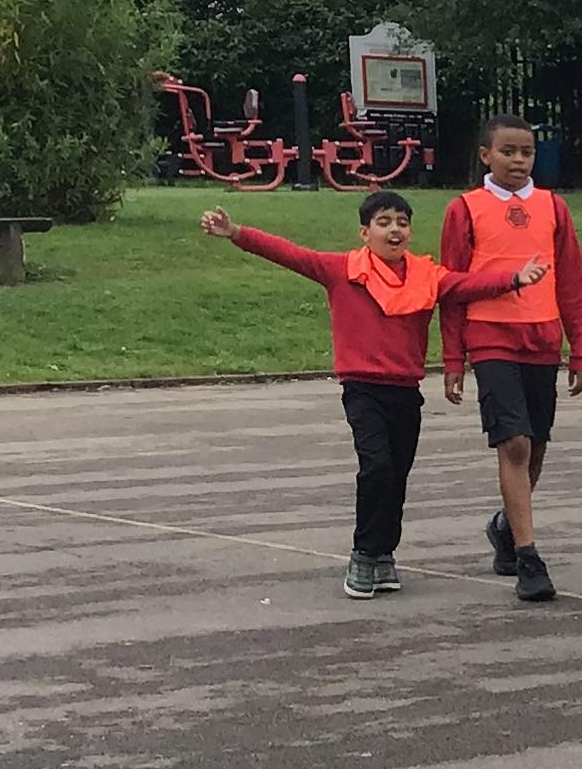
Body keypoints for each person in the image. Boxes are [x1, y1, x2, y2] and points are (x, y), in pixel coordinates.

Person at [201, 194, 547, 598]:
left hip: (406, 392)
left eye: (402, 222)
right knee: (377, 467)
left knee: (396, 476)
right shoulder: (342, 270)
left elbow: (466, 285)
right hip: (363, 390)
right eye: (384, 222)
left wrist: (513, 279)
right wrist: (236, 232)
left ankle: (385, 555)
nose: (394, 229)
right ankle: (364, 554)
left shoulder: (427, 275)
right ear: (365, 233)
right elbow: (290, 254)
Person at [438, 119, 582, 605]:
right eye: (508, 151)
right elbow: (451, 287)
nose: (519, 160)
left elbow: (572, 282)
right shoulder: (464, 209)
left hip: (542, 339)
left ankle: (506, 526)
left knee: (537, 445)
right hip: (490, 338)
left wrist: (580, 348)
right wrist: (453, 358)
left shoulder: (553, 207)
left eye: (526, 152)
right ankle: (529, 558)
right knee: (515, 443)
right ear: (486, 155)